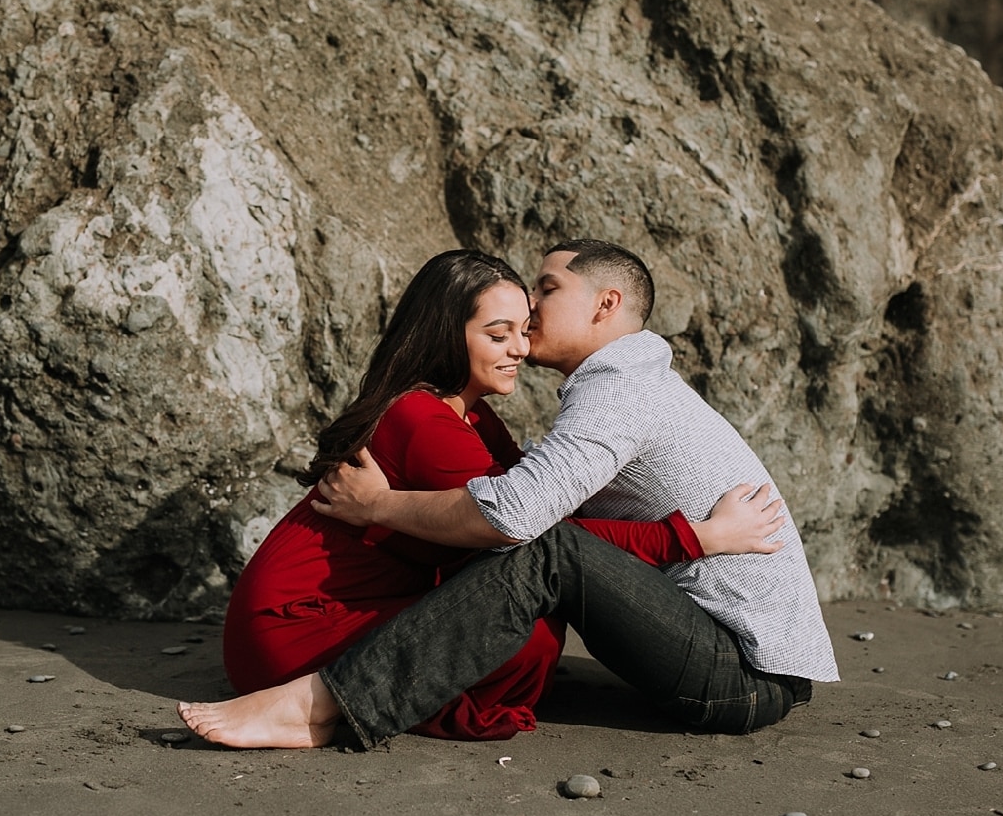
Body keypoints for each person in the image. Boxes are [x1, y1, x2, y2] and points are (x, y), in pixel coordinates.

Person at [180, 239, 839, 749]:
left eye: (548, 290)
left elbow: (523, 520)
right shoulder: (616, 388)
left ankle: (327, 705)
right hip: (735, 661)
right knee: (534, 554)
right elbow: (545, 517)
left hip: (741, 674)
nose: (531, 321)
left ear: (605, 305)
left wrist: (378, 505)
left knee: (534, 550)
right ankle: (326, 698)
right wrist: (695, 538)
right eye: (504, 329)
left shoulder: (620, 393)